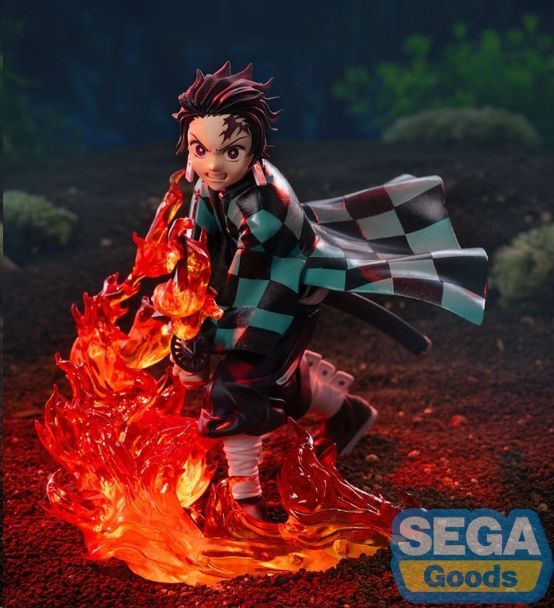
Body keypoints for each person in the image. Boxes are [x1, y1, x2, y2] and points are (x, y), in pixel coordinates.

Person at [170, 61, 488, 520]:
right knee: (269, 376)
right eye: (200, 149)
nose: (214, 165)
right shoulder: (209, 185)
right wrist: (184, 312)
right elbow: (196, 249)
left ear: (254, 149)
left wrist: (209, 335)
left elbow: (252, 290)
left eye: (231, 152)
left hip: (286, 291)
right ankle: (345, 412)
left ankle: (247, 502)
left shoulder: (264, 210)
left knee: (238, 384)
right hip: (264, 285)